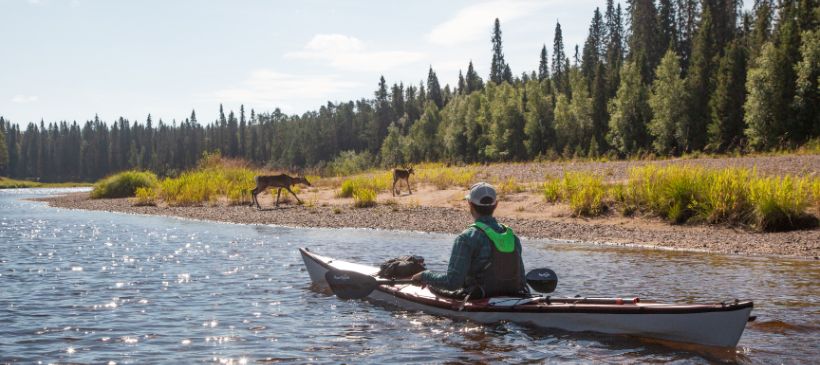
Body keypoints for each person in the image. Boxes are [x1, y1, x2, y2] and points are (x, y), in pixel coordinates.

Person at [411, 182, 527, 299]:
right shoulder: (512, 237)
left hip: (478, 297)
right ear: (496, 205)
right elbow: (522, 281)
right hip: (514, 297)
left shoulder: (466, 238)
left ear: (470, 204)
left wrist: (425, 276)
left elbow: (452, 283)